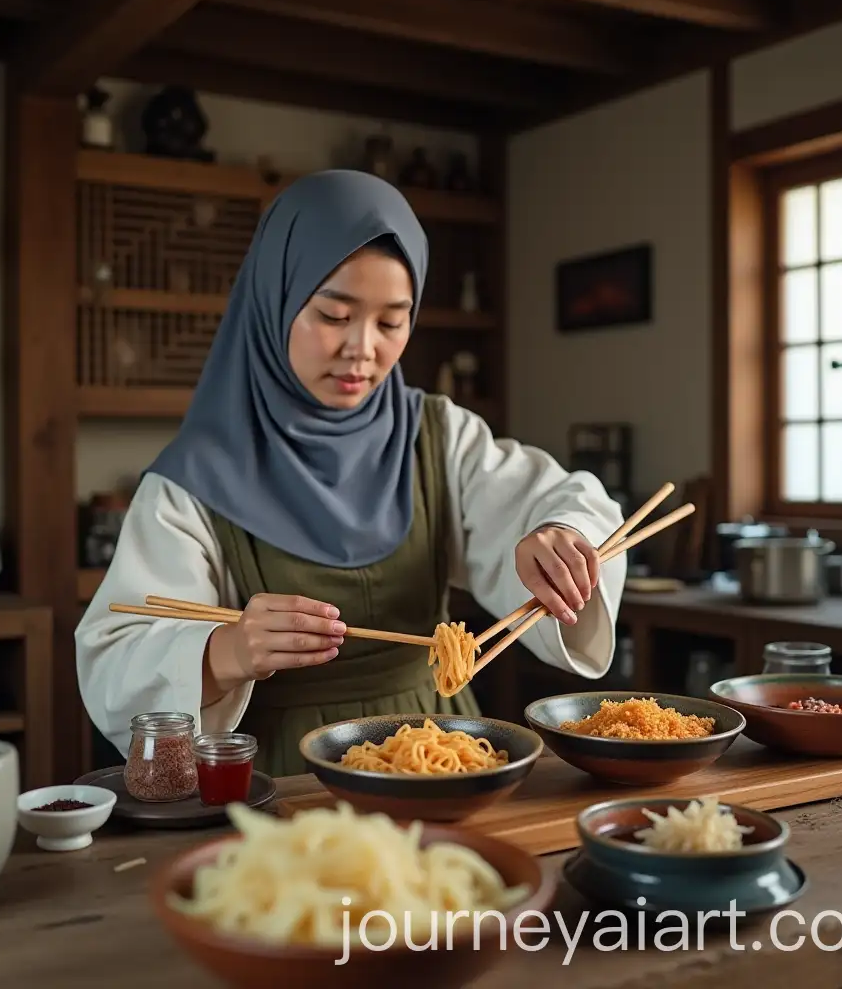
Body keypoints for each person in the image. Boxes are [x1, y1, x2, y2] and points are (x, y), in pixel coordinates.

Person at [75, 169, 627, 777]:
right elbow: (118, 655)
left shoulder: (437, 435)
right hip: (284, 776)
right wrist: (223, 651)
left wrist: (557, 534)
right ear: (275, 299)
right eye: (335, 316)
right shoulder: (192, 482)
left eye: (391, 322)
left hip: (443, 757)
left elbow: (556, 499)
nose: (362, 348)